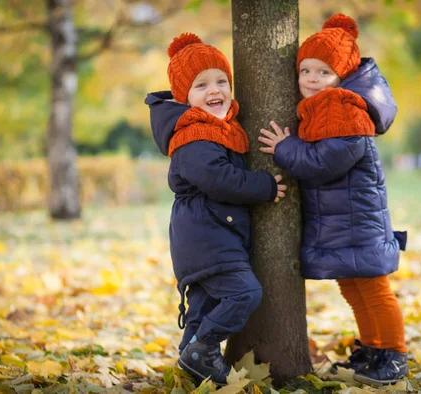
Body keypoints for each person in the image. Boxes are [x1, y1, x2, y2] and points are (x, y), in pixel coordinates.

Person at [258, 14, 408, 387]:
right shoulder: (322, 108)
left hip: (359, 220)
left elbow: (325, 163)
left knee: (374, 289)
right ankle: (373, 349)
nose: (311, 79)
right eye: (305, 69)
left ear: (342, 75)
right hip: (344, 220)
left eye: (323, 72)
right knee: (352, 287)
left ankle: (395, 355)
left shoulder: (345, 111)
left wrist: (285, 147)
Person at [144, 32, 286, 385]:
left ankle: (191, 363)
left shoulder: (219, 128)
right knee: (244, 292)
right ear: (184, 98)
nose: (215, 90)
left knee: (204, 306)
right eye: (201, 84)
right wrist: (265, 187)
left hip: (208, 235)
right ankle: (203, 347)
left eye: (222, 80)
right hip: (209, 236)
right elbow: (218, 178)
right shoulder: (195, 133)